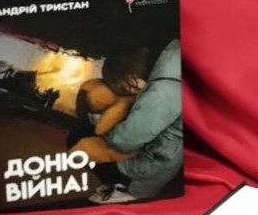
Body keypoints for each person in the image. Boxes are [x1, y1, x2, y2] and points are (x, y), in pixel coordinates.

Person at [71, 39, 182, 203]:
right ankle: (119, 182)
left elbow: (124, 142)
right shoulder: (171, 72)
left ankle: (126, 189)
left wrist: (98, 120)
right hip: (161, 157)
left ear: (131, 71)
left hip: (149, 171)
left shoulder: (162, 92)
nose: (130, 92)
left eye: (128, 85)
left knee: (77, 138)